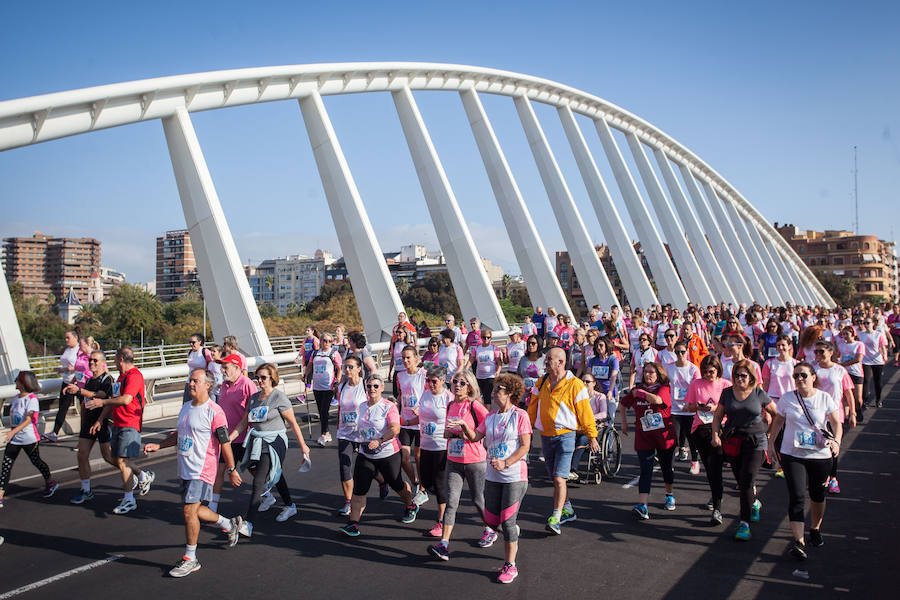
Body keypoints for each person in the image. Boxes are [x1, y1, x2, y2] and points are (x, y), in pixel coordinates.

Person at [144, 369, 244, 577]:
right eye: (190, 380)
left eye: (195, 381)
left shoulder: (214, 411)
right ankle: (229, 523)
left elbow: (225, 443)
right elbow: (179, 434)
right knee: (195, 511)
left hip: (202, 469)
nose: (190, 383)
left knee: (189, 512)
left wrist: (232, 469)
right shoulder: (186, 408)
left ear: (208, 385)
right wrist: (159, 446)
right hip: (185, 468)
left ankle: (191, 558)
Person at [454, 373, 531, 584]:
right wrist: (463, 425)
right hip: (493, 476)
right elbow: (475, 437)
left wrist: (506, 463)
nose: (494, 392)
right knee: (491, 520)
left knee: (506, 522)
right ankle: (512, 530)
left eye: (498, 389)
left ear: (510, 394)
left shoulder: (520, 415)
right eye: (494, 388)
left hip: (514, 476)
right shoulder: (490, 416)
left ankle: (510, 565)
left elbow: (525, 445)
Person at [768, 363, 843, 560]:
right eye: (796, 376)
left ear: (813, 377)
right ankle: (799, 541)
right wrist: (770, 444)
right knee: (797, 496)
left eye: (803, 375)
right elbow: (778, 422)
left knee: (817, 495)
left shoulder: (824, 398)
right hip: (793, 454)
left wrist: (837, 442)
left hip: (820, 455)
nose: (799, 379)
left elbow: (836, 423)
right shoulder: (787, 399)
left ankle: (815, 528)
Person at [229, 363, 311, 536]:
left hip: (275, 441)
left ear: (272, 378)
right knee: (274, 473)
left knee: (259, 480)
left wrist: (304, 447)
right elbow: (244, 422)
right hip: (257, 440)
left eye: (263, 377)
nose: (259, 380)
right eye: (257, 377)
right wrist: (228, 439)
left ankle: (248, 524)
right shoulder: (253, 398)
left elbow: (293, 423)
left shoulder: (278, 397)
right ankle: (290, 505)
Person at [527, 348, 599, 534]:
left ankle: (556, 518)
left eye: (550, 359)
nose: (546, 362)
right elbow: (532, 407)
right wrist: (525, 429)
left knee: (560, 478)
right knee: (555, 477)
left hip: (566, 436)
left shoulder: (575, 384)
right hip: (546, 436)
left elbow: (585, 412)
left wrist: (592, 436)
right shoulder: (541, 382)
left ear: (561, 362)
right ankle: (568, 509)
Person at [339, 374, 419, 537]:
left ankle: (410, 505)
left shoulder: (388, 406)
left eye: (376, 386)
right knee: (359, 490)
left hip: (388, 453)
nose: (372, 389)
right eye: (369, 386)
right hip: (366, 454)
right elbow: (359, 428)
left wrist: (380, 440)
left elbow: (395, 428)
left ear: (382, 388)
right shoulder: (361, 406)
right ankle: (353, 524)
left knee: (396, 484)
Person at [429, 369, 494, 560]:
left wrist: (468, 433)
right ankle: (444, 544)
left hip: (475, 461)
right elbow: (446, 431)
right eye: (455, 381)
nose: (457, 385)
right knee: (451, 503)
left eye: (462, 383)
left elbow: (489, 426)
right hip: (453, 460)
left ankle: (489, 528)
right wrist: (449, 434)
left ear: (470, 387)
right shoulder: (450, 405)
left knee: (478, 500)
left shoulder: (475, 406)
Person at [710, 359, 777, 540]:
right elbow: (718, 415)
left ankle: (744, 524)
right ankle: (753, 502)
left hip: (756, 442)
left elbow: (776, 414)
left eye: (743, 375)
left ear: (751, 377)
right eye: (736, 375)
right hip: (733, 441)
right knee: (740, 479)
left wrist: (770, 434)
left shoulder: (758, 393)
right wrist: (715, 434)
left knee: (747, 480)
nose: (739, 379)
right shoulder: (727, 393)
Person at [86, 347, 155, 514]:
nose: (114, 362)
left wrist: (101, 403)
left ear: (121, 359)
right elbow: (113, 401)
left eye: (116, 358)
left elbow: (125, 399)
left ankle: (129, 499)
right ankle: (143, 476)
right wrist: (101, 419)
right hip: (118, 423)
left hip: (130, 424)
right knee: (115, 459)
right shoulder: (120, 378)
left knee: (122, 462)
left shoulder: (134, 376)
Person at [620, 362, 677, 519]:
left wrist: (641, 394)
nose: (648, 375)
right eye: (645, 372)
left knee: (666, 467)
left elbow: (658, 400)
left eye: (652, 372)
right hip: (644, 435)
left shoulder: (664, 388)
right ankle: (643, 505)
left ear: (658, 374)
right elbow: (623, 404)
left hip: (663, 435)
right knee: (645, 469)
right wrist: (624, 423)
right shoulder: (637, 390)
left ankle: (669, 493)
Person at [0, 371, 57, 508]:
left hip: (28, 438)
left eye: (17, 380)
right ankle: (0, 496)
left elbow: (29, 419)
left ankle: (50, 483)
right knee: (6, 467)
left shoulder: (32, 399)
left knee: (36, 461)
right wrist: (13, 433)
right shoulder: (16, 398)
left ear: (24, 383)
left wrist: (12, 432)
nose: (15, 382)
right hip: (14, 439)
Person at [686, 355, 732, 525]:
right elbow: (689, 406)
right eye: (704, 372)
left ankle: (717, 507)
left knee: (717, 468)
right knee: (710, 468)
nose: (708, 375)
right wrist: (700, 406)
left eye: (711, 372)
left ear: (718, 370)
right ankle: (716, 497)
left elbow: (732, 408)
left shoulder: (726, 385)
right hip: (701, 429)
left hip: (721, 429)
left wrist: (716, 409)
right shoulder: (696, 384)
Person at [209, 353, 258, 514]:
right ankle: (213, 506)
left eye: (226, 367)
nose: (222, 370)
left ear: (237, 368)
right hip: (227, 438)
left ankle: (266, 493)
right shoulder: (224, 385)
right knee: (220, 470)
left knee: (253, 469)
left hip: (244, 437)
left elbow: (255, 410)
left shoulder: (247, 384)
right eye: (222, 367)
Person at [66, 350, 117, 504]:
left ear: (103, 362)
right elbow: (84, 402)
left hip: (101, 422)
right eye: (90, 361)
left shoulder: (108, 379)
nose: (92, 363)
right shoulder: (89, 381)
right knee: (82, 454)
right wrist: (82, 422)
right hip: (88, 422)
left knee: (108, 456)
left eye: (95, 360)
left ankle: (135, 473)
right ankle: (86, 490)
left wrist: (80, 390)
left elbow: (100, 395)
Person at [408, 366, 452, 537]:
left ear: (442, 381)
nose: (430, 384)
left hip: (441, 447)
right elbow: (421, 416)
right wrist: (406, 421)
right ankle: (444, 504)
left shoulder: (449, 398)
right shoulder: (426, 394)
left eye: (434, 381)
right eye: (428, 380)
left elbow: (456, 419)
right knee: (426, 481)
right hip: (426, 445)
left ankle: (441, 522)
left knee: (440, 485)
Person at [813, 340, 854, 495]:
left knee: (833, 448)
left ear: (831, 352)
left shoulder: (840, 370)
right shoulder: (813, 370)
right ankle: (819, 478)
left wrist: (853, 412)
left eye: (821, 351)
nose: (818, 354)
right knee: (816, 447)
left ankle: (833, 478)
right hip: (816, 415)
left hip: (836, 414)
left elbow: (848, 392)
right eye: (816, 351)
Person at [397, 346, 427, 505]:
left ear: (416, 358)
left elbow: (430, 395)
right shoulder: (400, 376)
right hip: (405, 422)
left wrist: (421, 406)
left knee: (419, 457)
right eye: (403, 357)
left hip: (421, 422)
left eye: (408, 357)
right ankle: (415, 481)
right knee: (403, 458)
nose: (405, 360)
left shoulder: (424, 376)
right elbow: (401, 395)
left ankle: (423, 490)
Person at [666, 341, 701, 473]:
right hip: (674, 408)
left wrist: (691, 403)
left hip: (689, 409)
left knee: (691, 438)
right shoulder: (669, 368)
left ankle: (695, 462)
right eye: (677, 352)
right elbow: (665, 386)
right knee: (672, 437)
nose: (679, 355)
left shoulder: (693, 369)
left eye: (682, 352)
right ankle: (670, 464)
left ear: (687, 352)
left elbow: (697, 388)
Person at [568, 374, 608, 479]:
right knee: (567, 438)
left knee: (582, 440)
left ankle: (572, 469)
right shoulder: (577, 397)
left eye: (587, 382)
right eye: (583, 381)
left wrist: (588, 418)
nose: (585, 384)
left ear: (594, 383)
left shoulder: (600, 397)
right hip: (579, 426)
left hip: (594, 426)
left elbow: (603, 414)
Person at [46, 329, 80, 442]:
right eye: (65, 337)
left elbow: (81, 366)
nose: (66, 340)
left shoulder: (79, 350)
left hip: (76, 382)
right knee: (62, 407)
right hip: (66, 381)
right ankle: (54, 433)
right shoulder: (67, 349)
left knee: (86, 408)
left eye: (68, 338)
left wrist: (66, 369)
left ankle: (95, 432)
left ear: (75, 338)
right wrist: (61, 369)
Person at [310, 333, 343, 447]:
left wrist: (337, 381)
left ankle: (323, 434)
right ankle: (327, 432)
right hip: (317, 386)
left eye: (330, 341)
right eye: (325, 340)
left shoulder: (334, 353)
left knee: (324, 410)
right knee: (321, 411)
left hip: (328, 386)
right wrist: (305, 376)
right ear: (320, 341)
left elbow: (339, 368)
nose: (327, 343)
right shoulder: (315, 353)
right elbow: (310, 365)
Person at [837, 326, 865, 422]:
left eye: (847, 334)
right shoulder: (841, 345)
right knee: (845, 396)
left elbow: (858, 359)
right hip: (845, 373)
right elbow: (837, 356)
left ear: (853, 334)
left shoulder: (859, 344)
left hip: (856, 372)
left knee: (858, 398)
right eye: (843, 334)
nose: (845, 336)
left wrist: (843, 364)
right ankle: (846, 416)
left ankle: (858, 410)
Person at [858, 317, 888, 408]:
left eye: (868, 323)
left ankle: (878, 399)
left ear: (873, 324)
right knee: (866, 380)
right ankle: (865, 400)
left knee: (877, 381)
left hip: (877, 360)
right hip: (865, 360)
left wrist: (885, 355)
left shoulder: (878, 335)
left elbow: (882, 347)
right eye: (864, 323)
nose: (866, 325)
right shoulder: (861, 335)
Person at [469, 327, 502, 408]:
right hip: (479, 376)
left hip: (490, 375)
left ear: (490, 338)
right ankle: (481, 413)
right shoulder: (477, 348)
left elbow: (499, 362)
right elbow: (471, 360)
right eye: (484, 337)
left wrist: (498, 371)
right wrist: (465, 369)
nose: (486, 339)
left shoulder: (494, 348)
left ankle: (487, 416)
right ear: (481, 338)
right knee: (479, 396)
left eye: (488, 337)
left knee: (487, 396)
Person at [183, 333, 214, 402]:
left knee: (199, 402)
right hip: (190, 381)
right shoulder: (190, 352)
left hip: (201, 382)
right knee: (187, 402)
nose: (191, 344)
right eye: (190, 342)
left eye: (193, 342)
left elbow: (212, 366)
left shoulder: (205, 352)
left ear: (200, 342)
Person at [517, 334, 546, 405]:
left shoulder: (545, 359)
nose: (530, 345)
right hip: (525, 396)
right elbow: (519, 376)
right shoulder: (523, 359)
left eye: (533, 343)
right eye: (529, 343)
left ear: (539, 344)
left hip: (540, 395)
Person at [389, 327, 412, 395]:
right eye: (397, 332)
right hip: (397, 370)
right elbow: (392, 359)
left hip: (406, 370)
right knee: (396, 393)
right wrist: (390, 372)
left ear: (405, 334)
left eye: (400, 332)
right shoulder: (394, 344)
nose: (398, 334)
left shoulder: (408, 344)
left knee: (405, 392)